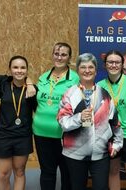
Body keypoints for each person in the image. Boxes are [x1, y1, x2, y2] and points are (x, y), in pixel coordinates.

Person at [57, 53, 123, 190]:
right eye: (83, 67)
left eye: (91, 67)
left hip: (100, 154)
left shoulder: (104, 94)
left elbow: (115, 123)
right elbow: (62, 122)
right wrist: (79, 118)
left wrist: (117, 145)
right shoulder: (69, 94)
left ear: (96, 70)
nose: (87, 70)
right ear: (78, 70)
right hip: (74, 154)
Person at [32, 42, 79, 190]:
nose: (59, 57)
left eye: (63, 54)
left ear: (69, 57)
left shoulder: (74, 79)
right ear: (52, 55)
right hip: (41, 132)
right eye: (56, 54)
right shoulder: (43, 77)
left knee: (67, 173)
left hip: (65, 134)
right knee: (47, 172)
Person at [98, 50, 126, 190]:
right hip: (110, 136)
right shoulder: (100, 85)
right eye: (110, 62)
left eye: (117, 62)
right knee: (113, 172)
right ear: (105, 65)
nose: (113, 65)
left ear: (122, 64)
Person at [0, 55, 37, 190]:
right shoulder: (3, 84)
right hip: (3, 135)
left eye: (23, 67)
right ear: (10, 69)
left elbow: (38, 110)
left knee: (19, 172)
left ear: (27, 70)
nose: (19, 71)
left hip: (23, 135)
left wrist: (29, 83)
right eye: (15, 67)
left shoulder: (33, 89)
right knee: (3, 174)